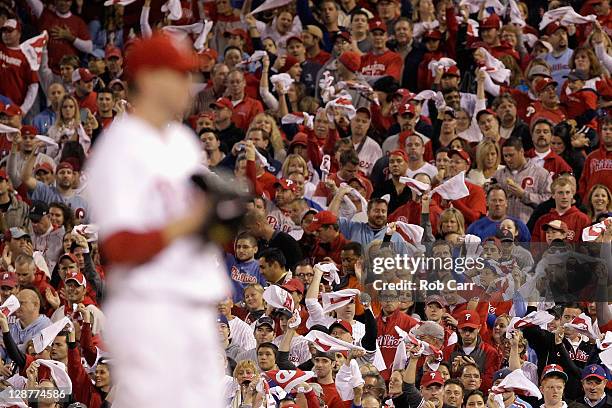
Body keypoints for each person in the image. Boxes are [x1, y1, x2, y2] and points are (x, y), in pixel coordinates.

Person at [85, 33, 230, 408]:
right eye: (178, 74)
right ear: (148, 78)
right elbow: (118, 246)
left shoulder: (183, 142)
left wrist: (221, 219)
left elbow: (193, 229)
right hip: (150, 309)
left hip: (196, 305)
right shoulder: (119, 149)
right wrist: (190, 220)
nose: (188, 84)